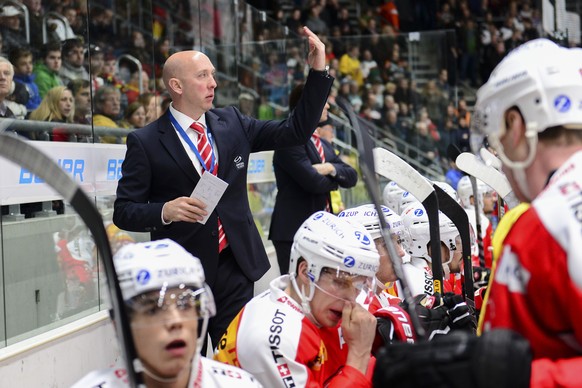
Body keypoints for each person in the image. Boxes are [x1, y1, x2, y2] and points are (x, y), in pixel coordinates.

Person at [375, 38, 582, 388]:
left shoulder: (546, 225)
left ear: (516, 126)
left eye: (497, 140)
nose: (498, 158)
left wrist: (509, 374)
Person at [113, 26, 333, 349]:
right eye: (203, 76)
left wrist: (317, 72)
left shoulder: (232, 122)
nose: (213, 83)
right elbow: (123, 211)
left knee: (237, 354)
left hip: (236, 263)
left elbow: (295, 131)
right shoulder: (145, 142)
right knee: (194, 360)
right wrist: (165, 210)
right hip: (183, 272)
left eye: (213, 75)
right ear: (176, 85)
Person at [214, 211, 379, 387]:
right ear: (306, 272)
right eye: (340, 282)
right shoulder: (275, 339)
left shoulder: (306, 305)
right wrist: (359, 354)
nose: (351, 299)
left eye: (359, 286)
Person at [72, 239, 263, 387]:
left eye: (184, 304)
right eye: (153, 309)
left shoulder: (239, 384)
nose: (175, 321)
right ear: (120, 325)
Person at [269, 84, 358, 275]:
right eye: (323, 103)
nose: (327, 107)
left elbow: (351, 176)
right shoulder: (289, 140)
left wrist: (329, 168)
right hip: (294, 231)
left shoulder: (321, 143)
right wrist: (335, 182)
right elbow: (312, 183)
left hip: (320, 231)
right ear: (307, 104)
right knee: (297, 293)